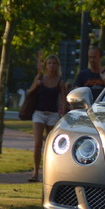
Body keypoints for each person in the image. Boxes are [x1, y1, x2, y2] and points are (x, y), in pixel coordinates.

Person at [26, 54, 67, 182]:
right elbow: (29, 93)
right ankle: (35, 172)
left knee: (50, 145)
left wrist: (64, 115)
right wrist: (36, 85)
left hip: (53, 115)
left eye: (54, 63)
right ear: (46, 65)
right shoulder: (40, 78)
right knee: (38, 143)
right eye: (49, 63)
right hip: (39, 113)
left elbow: (64, 100)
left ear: (57, 66)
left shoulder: (60, 82)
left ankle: (49, 173)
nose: (51, 65)